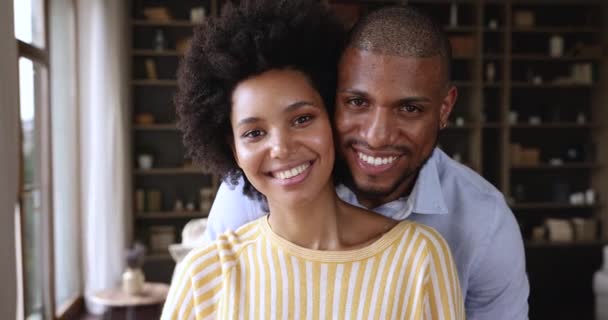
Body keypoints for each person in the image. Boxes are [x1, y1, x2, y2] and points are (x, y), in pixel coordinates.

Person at [204, 4, 530, 320]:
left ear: (445, 109)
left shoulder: (482, 222)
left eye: (409, 109)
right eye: (357, 102)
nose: (377, 137)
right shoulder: (254, 192)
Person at [162, 0, 464, 319]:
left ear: (333, 118)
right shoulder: (207, 275)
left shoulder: (418, 258)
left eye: (302, 119)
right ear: (233, 149)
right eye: (254, 133)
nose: (281, 148)